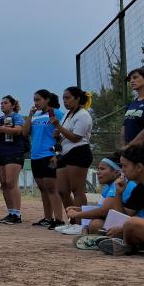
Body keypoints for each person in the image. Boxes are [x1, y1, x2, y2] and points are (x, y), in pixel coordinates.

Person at [51, 87, 94, 235]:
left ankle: (82, 224)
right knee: (63, 191)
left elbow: (76, 137)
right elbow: (65, 134)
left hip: (79, 152)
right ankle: (72, 221)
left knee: (77, 190)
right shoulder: (67, 115)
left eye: (68, 98)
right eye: (63, 98)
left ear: (77, 98)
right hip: (65, 152)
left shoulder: (83, 115)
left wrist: (58, 127)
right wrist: (57, 133)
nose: (65, 101)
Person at [96, 143, 144, 255]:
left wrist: (122, 229)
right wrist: (118, 193)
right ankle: (127, 245)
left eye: (124, 166)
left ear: (139, 167)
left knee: (133, 223)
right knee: (98, 225)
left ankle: (126, 246)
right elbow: (122, 216)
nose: (122, 170)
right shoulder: (141, 187)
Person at [23, 89, 65, 229]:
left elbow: (62, 134)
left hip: (49, 155)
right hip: (35, 156)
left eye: (39, 99)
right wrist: (30, 115)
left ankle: (59, 219)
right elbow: (25, 132)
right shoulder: (36, 115)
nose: (36, 102)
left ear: (47, 99)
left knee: (52, 188)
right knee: (43, 189)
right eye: (35, 100)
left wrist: (56, 154)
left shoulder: (56, 113)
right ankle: (48, 218)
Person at [66, 156, 137, 238]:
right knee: (94, 224)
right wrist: (81, 209)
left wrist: (78, 214)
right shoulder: (109, 186)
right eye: (98, 169)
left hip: (134, 224)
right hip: (125, 222)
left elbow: (104, 211)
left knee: (96, 225)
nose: (98, 172)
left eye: (102, 169)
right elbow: (101, 208)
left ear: (117, 173)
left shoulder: (120, 184)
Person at [0, 95, 26, 225]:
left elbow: (18, 130)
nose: (2, 105)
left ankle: (17, 214)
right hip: (1, 152)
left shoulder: (16, 117)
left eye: (5, 103)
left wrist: (0, 127)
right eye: (1, 103)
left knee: (11, 182)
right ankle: (10, 212)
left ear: (13, 105)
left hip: (14, 152)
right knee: (4, 183)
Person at [123, 68, 144, 147]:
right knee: (105, 160)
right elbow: (124, 127)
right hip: (129, 148)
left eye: (135, 77)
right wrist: (123, 147)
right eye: (130, 79)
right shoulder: (131, 104)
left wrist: (129, 147)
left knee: (124, 160)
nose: (131, 81)